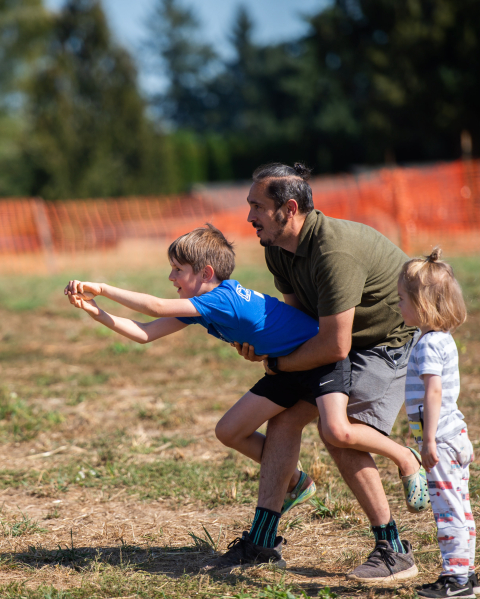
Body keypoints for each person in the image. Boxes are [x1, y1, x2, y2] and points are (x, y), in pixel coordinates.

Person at [64, 224, 349, 565]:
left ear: (206, 273)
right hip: (287, 369)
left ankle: (388, 464)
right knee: (228, 431)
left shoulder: (221, 299)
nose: (171, 277)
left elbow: (154, 308)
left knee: (335, 433)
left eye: (178, 270)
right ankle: (297, 481)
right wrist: (94, 311)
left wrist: (103, 288)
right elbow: (144, 333)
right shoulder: (203, 303)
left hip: (319, 364)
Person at [224, 162, 423, 582]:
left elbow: (336, 346)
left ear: (289, 208)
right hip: (336, 337)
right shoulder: (278, 247)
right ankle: (263, 541)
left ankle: (395, 550)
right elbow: (298, 319)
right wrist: (263, 346)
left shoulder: (334, 251)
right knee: (284, 416)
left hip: (386, 342)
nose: (249, 217)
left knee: (341, 432)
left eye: (257, 206)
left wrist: (277, 364)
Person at [398, 248, 480, 598]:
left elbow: (433, 392)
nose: (398, 304)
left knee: (447, 510)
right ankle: (467, 572)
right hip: (453, 434)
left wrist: (428, 440)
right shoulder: (441, 340)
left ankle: (456, 579)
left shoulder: (429, 344)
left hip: (442, 441)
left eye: (402, 298)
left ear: (422, 304)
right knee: (459, 505)